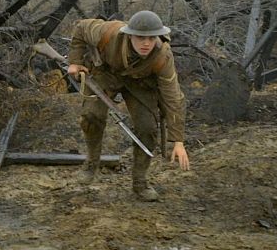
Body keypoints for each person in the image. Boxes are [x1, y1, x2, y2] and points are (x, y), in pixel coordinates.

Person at [67, 11, 190, 201]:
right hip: (107, 72)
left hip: (141, 83)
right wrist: (74, 62)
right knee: (91, 116)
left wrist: (178, 141)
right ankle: (91, 163)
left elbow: (173, 97)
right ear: (129, 34)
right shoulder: (108, 33)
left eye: (151, 38)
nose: (146, 43)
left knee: (147, 129)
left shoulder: (163, 57)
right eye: (141, 37)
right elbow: (80, 27)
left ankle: (140, 182)